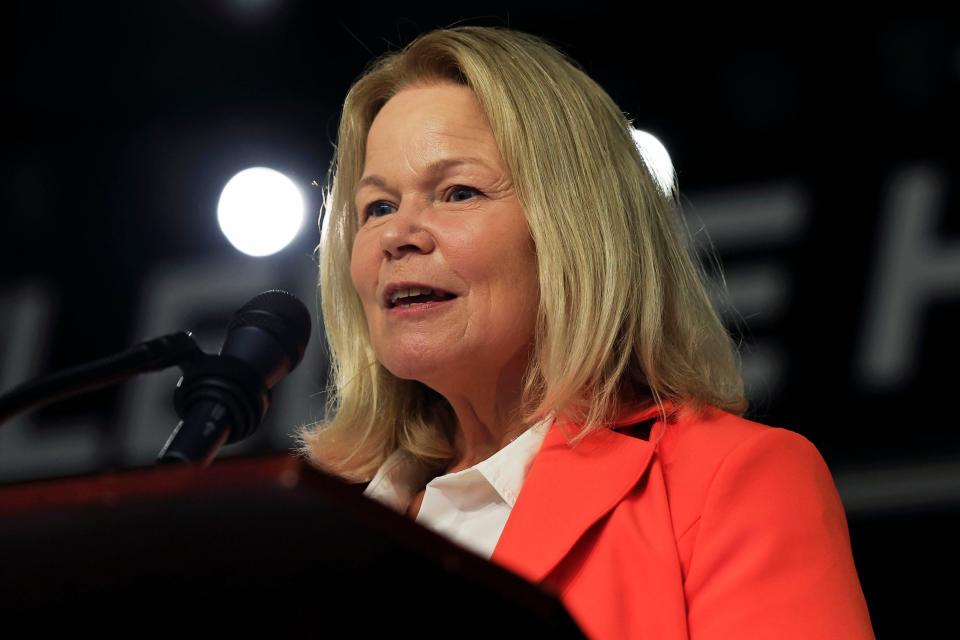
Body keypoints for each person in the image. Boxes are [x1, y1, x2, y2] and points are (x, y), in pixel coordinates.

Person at [298, 26, 875, 639]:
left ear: (572, 229)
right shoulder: (320, 529)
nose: (397, 235)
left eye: (457, 192)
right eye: (378, 207)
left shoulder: (729, 480)